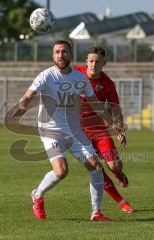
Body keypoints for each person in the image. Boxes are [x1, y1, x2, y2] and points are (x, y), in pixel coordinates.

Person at [12, 40, 125, 221]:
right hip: (50, 130)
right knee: (61, 171)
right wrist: (22, 107)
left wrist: (112, 123)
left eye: (64, 52)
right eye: (57, 52)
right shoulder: (46, 76)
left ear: (70, 54)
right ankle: (38, 194)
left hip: (74, 130)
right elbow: (28, 96)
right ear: (53, 55)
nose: (60, 55)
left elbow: (96, 103)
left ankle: (96, 212)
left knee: (95, 166)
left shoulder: (80, 79)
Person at [75, 46, 133, 213]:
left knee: (114, 165)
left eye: (97, 62)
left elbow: (115, 109)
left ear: (104, 63)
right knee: (97, 168)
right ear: (86, 61)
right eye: (91, 61)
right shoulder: (75, 74)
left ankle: (119, 174)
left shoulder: (107, 84)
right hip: (78, 133)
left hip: (100, 131)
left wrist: (120, 130)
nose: (93, 65)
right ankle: (121, 201)